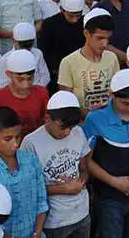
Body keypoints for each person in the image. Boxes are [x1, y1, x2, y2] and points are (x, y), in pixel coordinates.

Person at [81, 68, 129, 238]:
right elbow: (86, 161)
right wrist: (115, 182)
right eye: (125, 104)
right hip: (109, 198)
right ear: (112, 94)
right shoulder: (95, 119)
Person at [0, 107, 50, 238]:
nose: (15, 144)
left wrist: (37, 232)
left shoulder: (30, 159)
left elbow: (41, 201)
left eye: (18, 137)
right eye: (8, 139)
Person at [23, 91, 91, 238]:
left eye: (71, 127)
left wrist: (80, 183)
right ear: (48, 118)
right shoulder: (31, 143)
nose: (67, 132)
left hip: (82, 213)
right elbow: (28, 187)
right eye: (62, 127)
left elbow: (84, 168)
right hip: (54, 221)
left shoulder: (78, 132)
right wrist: (63, 189)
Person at [57, 10, 120, 114]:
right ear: (86, 33)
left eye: (107, 38)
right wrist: (87, 112)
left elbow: (117, 93)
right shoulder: (68, 62)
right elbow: (66, 104)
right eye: (100, 38)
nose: (104, 44)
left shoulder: (112, 58)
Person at [0, 50, 49, 134]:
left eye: (30, 79)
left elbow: (46, 122)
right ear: (8, 74)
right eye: (20, 79)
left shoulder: (42, 93)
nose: (26, 85)